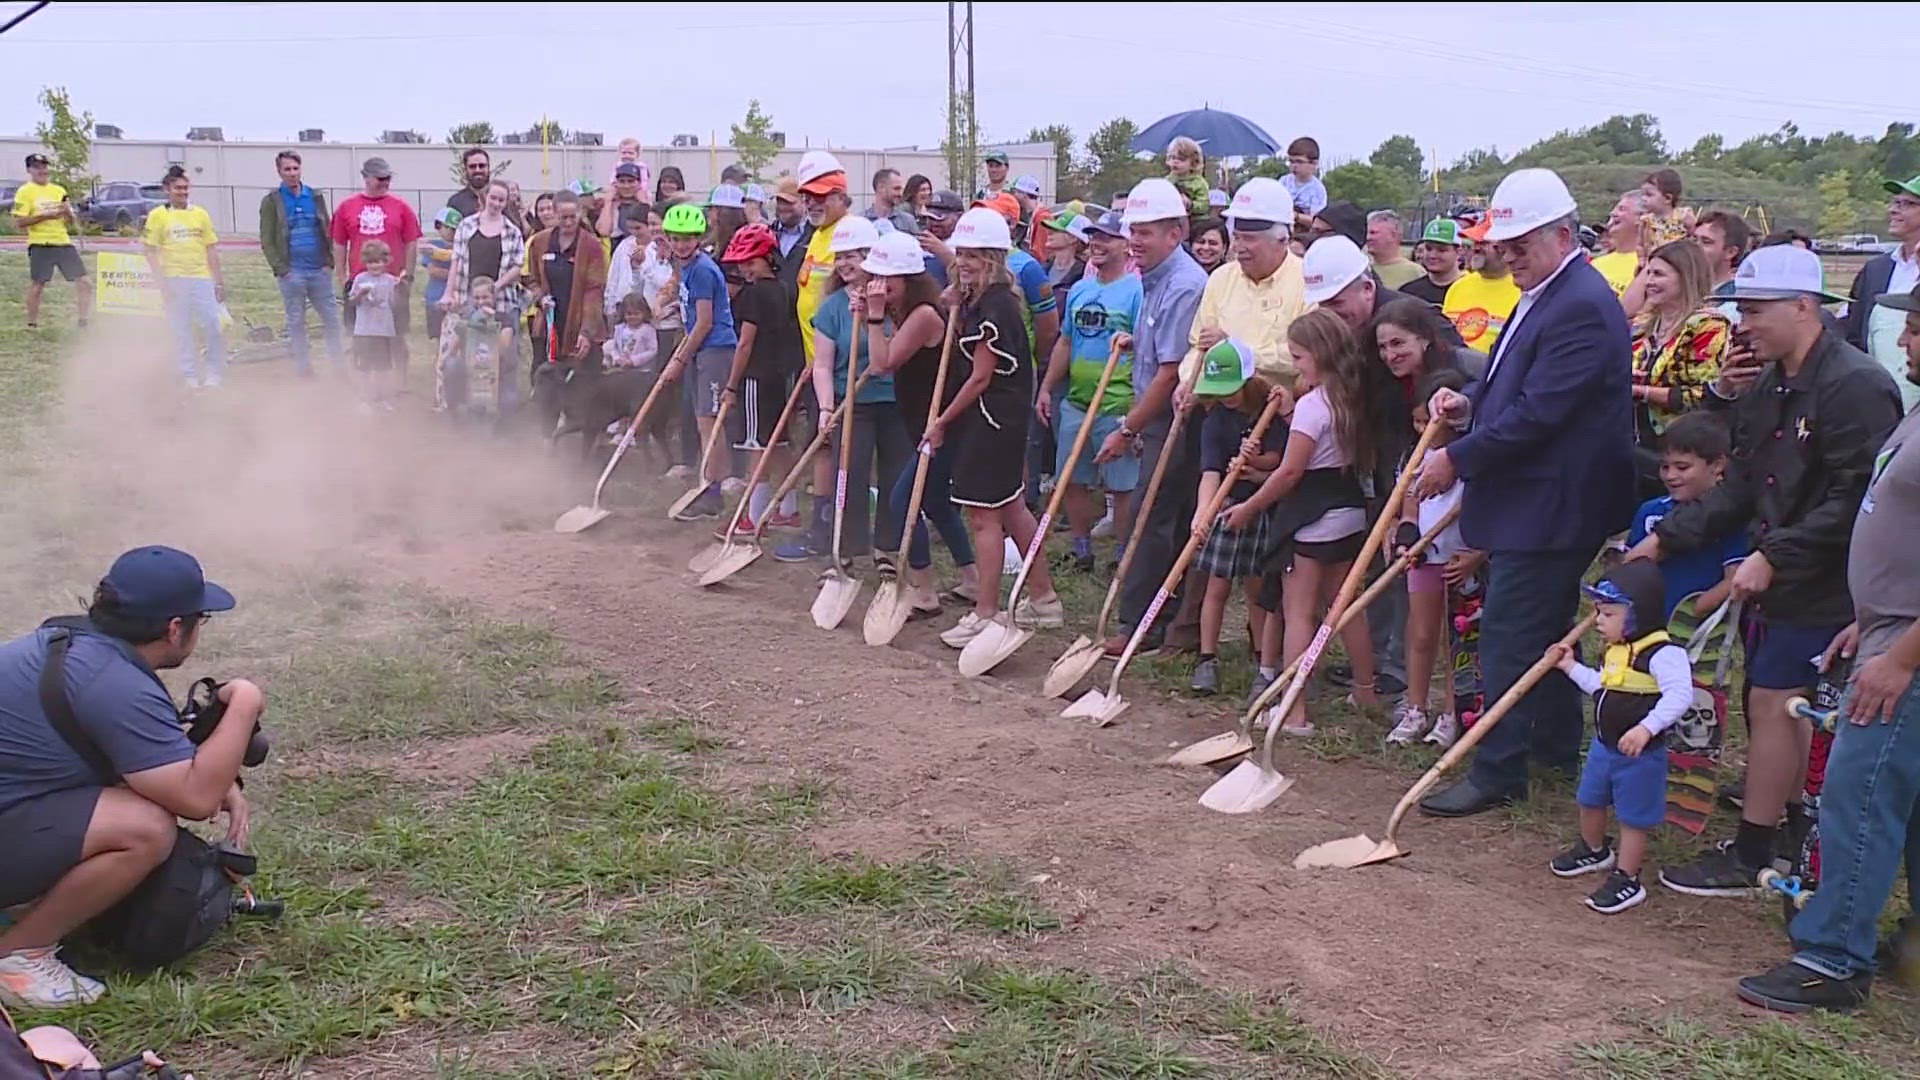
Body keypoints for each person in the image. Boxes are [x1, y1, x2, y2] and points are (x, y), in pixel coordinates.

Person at [1633, 244, 1903, 896]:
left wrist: (1773, 556)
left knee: (1777, 702)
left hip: (1829, 581)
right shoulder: (1768, 385)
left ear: (1804, 306)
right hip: (1780, 573)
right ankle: (1783, 829)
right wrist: (1665, 540)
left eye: (1754, 310)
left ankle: (1757, 850)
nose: (1742, 324)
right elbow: (1742, 485)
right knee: (1771, 702)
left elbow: (1856, 496)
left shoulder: (1857, 386)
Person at [1414, 168, 1637, 818]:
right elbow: (1515, 382)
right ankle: (1554, 749)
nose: (1505, 254)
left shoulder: (1580, 306)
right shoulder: (1545, 289)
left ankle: (1499, 767)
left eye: (1519, 243)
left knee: (1510, 632)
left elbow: (1542, 413)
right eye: (1502, 243)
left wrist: (1456, 458)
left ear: (1563, 234)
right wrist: (1469, 402)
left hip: (1555, 502)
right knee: (1538, 630)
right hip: (1538, 495)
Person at [1735, 281, 1920, 1013]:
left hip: (1905, 653)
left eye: (1915, 330)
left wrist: (1901, 655)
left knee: (1861, 797)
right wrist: (1871, 617)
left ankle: (1832, 959)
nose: (1902, 342)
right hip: (1887, 627)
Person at [0, 547, 257, 1009]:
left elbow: (144, 760)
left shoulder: (72, 644)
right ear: (175, 627)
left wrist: (224, 783)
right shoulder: (112, 679)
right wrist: (244, 703)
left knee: (133, 804)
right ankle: (19, 955)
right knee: (143, 829)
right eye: (201, 618)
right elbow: (195, 798)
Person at [1226, 310, 1375, 732]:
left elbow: (1290, 472)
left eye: (1299, 356)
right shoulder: (1350, 396)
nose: (1295, 365)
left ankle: (1294, 711)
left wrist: (1249, 507)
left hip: (1311, 514)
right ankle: (1366, 689)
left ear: (1320, 355)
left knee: (1299, 613)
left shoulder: (1314, 406)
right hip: (1347, 509)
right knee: (1344, 606)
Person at [932, 208, 1063, 647]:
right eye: (961, 254)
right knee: (1012, 508)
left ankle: (985, 611)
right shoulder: (984, 299)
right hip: (1004, 419)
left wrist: (942, 420)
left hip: (990, 421)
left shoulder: (994, 305)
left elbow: (981, 376)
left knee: (984, 518)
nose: (964, 262)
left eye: (974, 255)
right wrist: (954, 298)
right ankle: (1044, 599)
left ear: (994, 258)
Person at [1546, 559, 1696, 915]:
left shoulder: (1663, 654)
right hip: (1604, 747)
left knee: (1634, 817)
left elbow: (1680, 695)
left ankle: (1627, 877)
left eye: (1608, 614)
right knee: (1589, 798)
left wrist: (1647, 728)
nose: (1598, 621)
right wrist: (1569, 667)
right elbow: (1601, 687)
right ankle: (1594, 849)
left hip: (1639, 756)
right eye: (1599, 612)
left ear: (1637, 614)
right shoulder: (1617, 652)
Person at [1103, 178, 1210, 657]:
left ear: (1176, 232)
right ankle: (1166, 619)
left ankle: (1140, 623)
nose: (1136, 242)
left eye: (1147, 232)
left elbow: (1170, 374)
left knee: (1152, 518)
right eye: (1133, 232)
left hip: (1177, 419)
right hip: (1158, 414)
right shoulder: (1152, 278)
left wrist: (1128, 428)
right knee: (1160, 517)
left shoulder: (1185, 285)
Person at [863, 230, 981, 610]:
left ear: (907, 280)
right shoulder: (908, 311)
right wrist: (871, 315)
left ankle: (924, 589)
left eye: (886, 280)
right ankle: (972, 580)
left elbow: (882, 364)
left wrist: (874, 318)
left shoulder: (925, 316)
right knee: (937, 503)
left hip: (946, 424)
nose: (877, 286)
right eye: (873, 278)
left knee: (903, 502)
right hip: (923, 420)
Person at [1038, 209, 1141, 574]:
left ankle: (1124, 555)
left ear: (1126, 245)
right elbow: (1066, 342)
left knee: (1122, 485)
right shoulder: (1081, 288)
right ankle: (1081, 550)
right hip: (1077, 401)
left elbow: (1145, 347)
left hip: (1117, 401)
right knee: (1072, 478)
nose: (1097, 243)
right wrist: (1048, 387)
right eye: (1094, 237)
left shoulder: (1136, 291)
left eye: (1107, 237)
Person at [1188, 338, 1284, 695]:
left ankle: (1263, 659)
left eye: (1232, 388)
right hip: (1226, 507)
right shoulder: (1214, 422)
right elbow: (1210, 471)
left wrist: (1254, 461)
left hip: (1259, 506)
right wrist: (1203, 511)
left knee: (1257, 587)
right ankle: (1207, 658)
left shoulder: (1269, 411)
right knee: (1217, 584)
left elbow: (1277, 461)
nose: (1226, 396)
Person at [1387, 367, 1471, 748]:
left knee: (1457, 640)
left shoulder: (1470, 458)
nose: (1424, 430)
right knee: (1421, 634)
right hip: (1425, 556)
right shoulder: (1417, 455)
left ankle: (1453, 714)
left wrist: (1477, 555)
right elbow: (1409, 499)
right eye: (1418, 422)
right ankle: (1416, 708)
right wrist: (1407, 531)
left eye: (1431, 421)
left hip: (1460, 560)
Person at [718, 223, 802, 534]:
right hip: (779, 375)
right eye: (742, 264)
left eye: (751, 262)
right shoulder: (783, 287)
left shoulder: (753, 295)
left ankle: (752, 517)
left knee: (757, 447)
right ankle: (789, 509)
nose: (746, 269)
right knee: (778, 443)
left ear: (768, 258)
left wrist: (731, 384)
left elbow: (745, 342)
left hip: (756, 376)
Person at [1629, 240, 1730, 494]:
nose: (1649, 281)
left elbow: (1703, 395)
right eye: (1648, 273)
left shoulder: (1707, 326)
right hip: (1637, 441)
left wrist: (1640, 391)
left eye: (1659, 274)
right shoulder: (1645, 326)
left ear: (1685, 277)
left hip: (1682, 455)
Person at [1625, 411, 1747, 620]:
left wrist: (1693, 611)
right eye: (1664, 467)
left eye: (1682, 467)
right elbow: (1629, 572)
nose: (1671, 476)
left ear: (1717, 464)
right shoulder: (1649, 511)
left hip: (1699, 630)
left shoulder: (1729, 517)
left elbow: (1734, 578)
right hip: (1646, 625)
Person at [658, 204, 738, 514]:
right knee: (701, 418)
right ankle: (708, 483)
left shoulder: (703, 269)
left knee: (709, 423)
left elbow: (705, 322)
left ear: (698, 238)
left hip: (715, 349)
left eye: (688, 238)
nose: (682, 244)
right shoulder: (684, 267)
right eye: (676, 238)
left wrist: (679, 359)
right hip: (700, 349)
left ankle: (712, 492)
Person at [526, 191, 610, 457]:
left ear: (580, 215)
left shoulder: (591, 246)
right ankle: (546, 441)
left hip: (580, 324)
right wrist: (540, 297)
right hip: (550, 326)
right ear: (553, 214)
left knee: (584, 388)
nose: (568, 222)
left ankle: (584, 447)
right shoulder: (539, 243)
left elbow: (594, 290)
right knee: (548, 385)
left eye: (573, 217)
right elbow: (530, 278)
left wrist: (587, 331)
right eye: (563, 217)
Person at [438, 181, 526, 416]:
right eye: (493, 198)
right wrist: (449, 292)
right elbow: (456, 260)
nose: (496, 203)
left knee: (505, 358)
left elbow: (518, 266)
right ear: (485, 198)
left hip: (503, 301)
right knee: (462, 356)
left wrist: (496, 286)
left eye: (501, 200)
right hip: (469, 300)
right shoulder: (467, 226)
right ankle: (461, 406)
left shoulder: (512, 231)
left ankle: (503, 411)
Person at [331, 157, 422, 377]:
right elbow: (339, 243)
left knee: (396, 334)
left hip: (393, 282)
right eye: (380, 178)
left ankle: (399, 381)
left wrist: (407, 275)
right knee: (360, 335)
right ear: (366, 178)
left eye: (388, 178)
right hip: (360, 282)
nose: (385, 182)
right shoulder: (346, 207)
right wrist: (343, 277)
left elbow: (411, 241)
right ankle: (364, 383)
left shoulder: (401, 207)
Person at [259, 149, 341, 376]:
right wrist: (282, 269)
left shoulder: (315, 196)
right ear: (279, 171)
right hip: (292, 273)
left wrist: (329, 262)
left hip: (319, 270)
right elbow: (266, 238)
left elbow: (327, 228)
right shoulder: (272, 201)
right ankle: (304, 370)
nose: (292, 173)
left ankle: (339, 367)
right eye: (287, 169)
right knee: (296, 322)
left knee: (332, 320)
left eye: (296, 168)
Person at [143, 166, 226, 390]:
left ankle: (214, 373)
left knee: (211, 324)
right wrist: (161, 283)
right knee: (181, 329)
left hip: (201, 278)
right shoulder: (158, 216)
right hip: (174, 278)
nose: (182, 192)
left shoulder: (200, 214)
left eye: (186, 188)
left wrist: (218, 281)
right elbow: (150, 250)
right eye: (178, 188)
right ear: (167, 189)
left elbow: (211, 248)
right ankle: (189, 374)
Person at [1843, 175, 1920, 410]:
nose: (1893, 210)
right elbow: (1855, 335)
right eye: (1895, 202)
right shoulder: (1876, 269)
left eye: (1906, 204)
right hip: (1880, 406)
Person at [12, 152, 92, 331]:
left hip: (62, 242)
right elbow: (19, 222)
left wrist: (69, 214)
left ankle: (83, 321)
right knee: (38, 284)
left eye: (44, 166)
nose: (42, 170)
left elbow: (70, 221)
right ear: (29, 170)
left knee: (85, 281)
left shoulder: (59, 190)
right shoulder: (24, 192)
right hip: (40, 243)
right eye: (37, 167)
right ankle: (32, 324)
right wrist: (46, 215)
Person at [1443, 220, 1521, 354]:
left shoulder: (1522, 289)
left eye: (1484, 243)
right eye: (1474, 242)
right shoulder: (1459, 286)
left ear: (1505, 247)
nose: (1476, 248)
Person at [346, 239, 403, 411]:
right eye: (370, 262)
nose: (374, 266)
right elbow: (351, 302)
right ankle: (364, 399)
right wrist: (361, 294)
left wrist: (401, 287)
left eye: (378, 261)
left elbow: (396, 303)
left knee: (382, 368)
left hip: (384, 331)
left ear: (386, 262)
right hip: (364, 331)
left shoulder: (391, 280)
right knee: (364, 368)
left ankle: (380, 398)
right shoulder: (360, 279)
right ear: (365, 262)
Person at [1692, 209, 1753, 316]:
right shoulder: (1680, 288)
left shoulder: (1735, 302)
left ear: (1730, 252)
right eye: (1693, 239)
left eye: (1706, 242)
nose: (1695, 247)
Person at [1400, 218, 1468, 306]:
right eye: (1428, 249)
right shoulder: (1408, 292)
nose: (1432, 255)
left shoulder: (1470, 289)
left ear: (1459, 252)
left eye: (1441, 250)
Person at [1591, 192, 1643, 299]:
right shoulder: (1596, 263)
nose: (1613, 213)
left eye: (1622, 209)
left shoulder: (1648, 265)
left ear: (1641, 218)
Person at [421, 207, 459, 346]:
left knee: (455, 335)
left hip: (455, 300)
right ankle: (439, 362)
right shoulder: (433, 246)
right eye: (446, 227)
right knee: (439, 337)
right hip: (434, 297)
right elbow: (433, 270)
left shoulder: (461, 247)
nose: (450, 232)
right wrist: (456, 275)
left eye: (453, 228)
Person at [1639, 168, 1694, 250]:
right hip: (1657, 260)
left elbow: (1695, 237)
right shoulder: (1647, 222)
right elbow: (1642, 245)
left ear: (1668, 198)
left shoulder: (1683, 216)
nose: (1643, 198)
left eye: (1649, 195)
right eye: (1642, 194)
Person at [1365, 210, 1421, 290]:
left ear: (1393, 235)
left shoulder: (1415, 273)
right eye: (1367, 233)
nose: (1368, 238)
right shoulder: (1363, 270)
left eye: (1373, 233)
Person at [596, 162, 652, 241]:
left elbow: (652, 229)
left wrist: (643, 203)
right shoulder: (612, 204)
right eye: (622, 181)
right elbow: (604, 231)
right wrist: (608, 202)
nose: (626, 186)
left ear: (639, 183)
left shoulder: (646, 202)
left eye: (631, 181)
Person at [1164, 136, 1211, 227]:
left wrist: (1190, 204)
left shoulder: (1199, 183)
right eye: (1173, 158)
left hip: (1195, 222)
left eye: (1181, 159)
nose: (1176, 162)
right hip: (1173, 219)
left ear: (1193, 163)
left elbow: (1205, 205)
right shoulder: (1167, 181)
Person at [1280, 136, 1326, 223]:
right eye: (1291, 161)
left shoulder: (1317, 189)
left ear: (1314, 164)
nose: (1294, 166)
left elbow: (1317, 221)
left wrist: (1296, 216)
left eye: (1299, 162)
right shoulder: (1284, 181)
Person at [771, 175, 810, 268]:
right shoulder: (767, 234)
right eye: (779, 202)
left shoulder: (815, 236)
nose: (783, 207)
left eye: (789, 202)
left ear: (804, 203)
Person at [864, 167, 918, 235]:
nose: (900, 194)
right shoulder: (861, 221)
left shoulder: (908, 220)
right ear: (881, 188)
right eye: (896, 188)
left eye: (901, 189)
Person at [446, 147, 491, 220]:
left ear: (488, 168)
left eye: (482, 166)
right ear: (465, 170)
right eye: (472, 166)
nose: (477, 170)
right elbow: (449, 231)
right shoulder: (455, 202)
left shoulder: (501, 199)